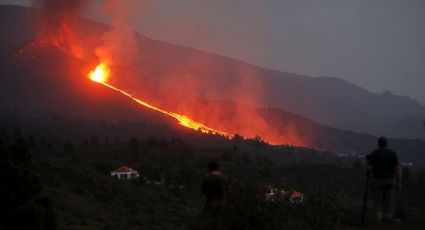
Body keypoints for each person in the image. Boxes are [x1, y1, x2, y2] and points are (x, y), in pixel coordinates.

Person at [366, 136, 401, 223]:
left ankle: (377, 222)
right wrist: (398, 183)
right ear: (386, 144)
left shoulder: (375, 153)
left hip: (377, 181)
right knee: (389, 204)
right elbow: (397, 169)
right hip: (390, 181)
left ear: (378, 144)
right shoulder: (393, 154)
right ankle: (387, 222)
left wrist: (369, 177)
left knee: (377, 203)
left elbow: (370, 168)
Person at [201, 162, 225, 230]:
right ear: (218, 168)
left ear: (209, 169)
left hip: (211, 202)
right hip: (222, 202)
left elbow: (203, 191)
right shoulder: (224, 178)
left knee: (207, 221)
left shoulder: (206, 178)